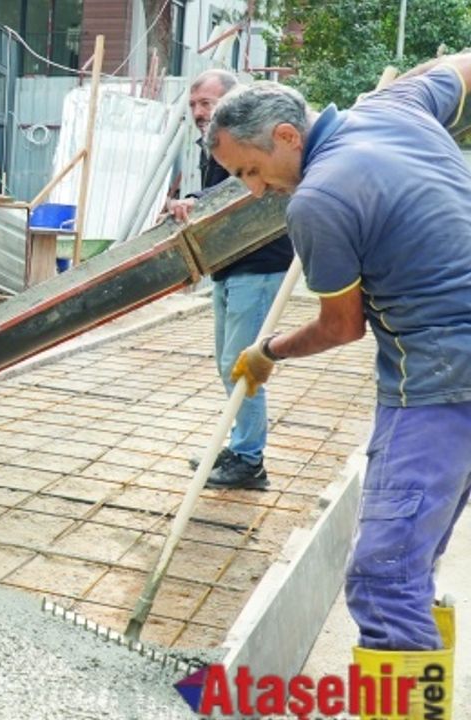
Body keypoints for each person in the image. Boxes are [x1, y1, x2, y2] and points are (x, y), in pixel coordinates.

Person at [211, 53, 471, 714]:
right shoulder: (397, 105)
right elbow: (465, 65)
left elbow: (341, 325)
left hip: (441, 380)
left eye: (250, 170)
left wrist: (267, 351)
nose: (255, 191)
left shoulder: (319, 199)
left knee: (384, 578)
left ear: (287, 136)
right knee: (411, 564)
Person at [167, 68, 295, 491]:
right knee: (229, 365)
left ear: (231, 100)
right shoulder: (214, 145)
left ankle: (249, 460)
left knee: (241, 366)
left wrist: (194, 202)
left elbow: (239, 194)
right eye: (193, 105)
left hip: (257, 266)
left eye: (207, 103)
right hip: (229, 266)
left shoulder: (248, 139)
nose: (199, 112)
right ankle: (241, 445)